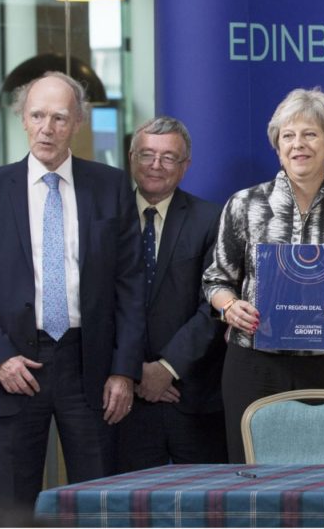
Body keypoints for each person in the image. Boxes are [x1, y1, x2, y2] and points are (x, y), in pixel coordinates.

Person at [0, 72, 144, 505]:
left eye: (60, 118)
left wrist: (123, 370)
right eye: (38, 115)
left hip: (92, 369)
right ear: (22, 119)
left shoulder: (111, 186)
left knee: (100, 501)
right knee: (13, 504)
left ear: (78, 123)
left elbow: (131, 285)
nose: (47, 128)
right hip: (14, 367)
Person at [202, 87, 324, 463]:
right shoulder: (244, 205)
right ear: (277, 147)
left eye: (310, 134)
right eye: (287, 136)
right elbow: (216, 279)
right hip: (255, 365)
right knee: (255, 482)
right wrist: (229, 308)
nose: (298, 144)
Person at [117, 116, 228, 471]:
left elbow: (214, 304)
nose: (155, 166)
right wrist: (133, 371)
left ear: (185, 166)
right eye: (147, 154)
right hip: (122, 397)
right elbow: (95, 303)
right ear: (131, 157)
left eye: (168, 157)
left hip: (192, 395)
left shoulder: (211, 219)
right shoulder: (105, 216)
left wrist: (166, 368)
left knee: (203, 513)